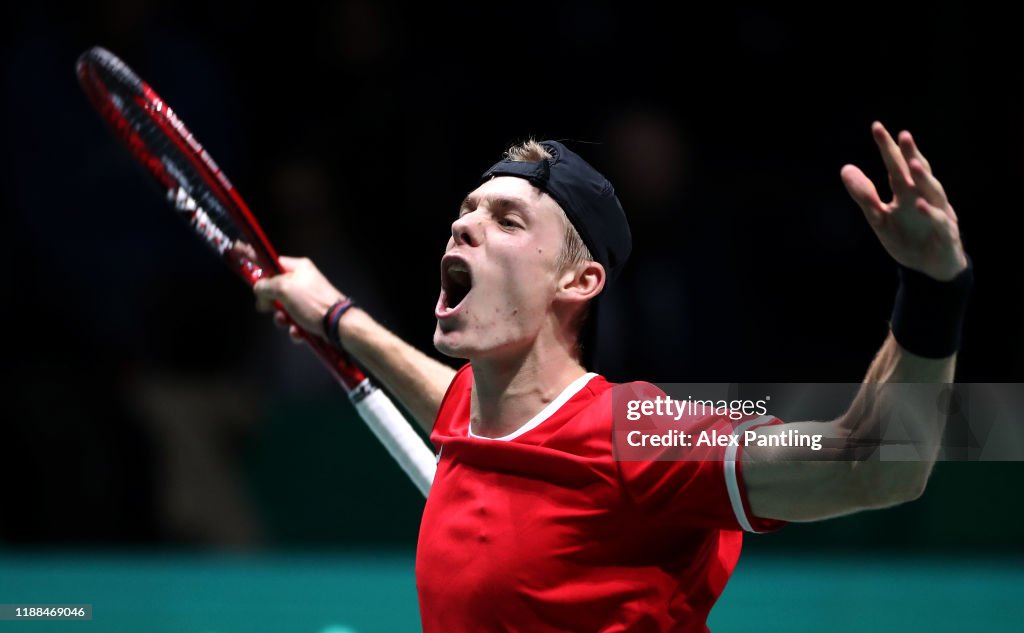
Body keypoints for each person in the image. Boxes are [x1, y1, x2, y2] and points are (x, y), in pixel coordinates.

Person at [253, 123, 972, 632]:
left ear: (579, 278)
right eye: (466, 212)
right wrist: (337, 315)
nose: (464, 227)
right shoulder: (480, 414)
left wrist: (933, 286)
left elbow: (876, 464)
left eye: (506, 220)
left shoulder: (635, 434)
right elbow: (447, 396)